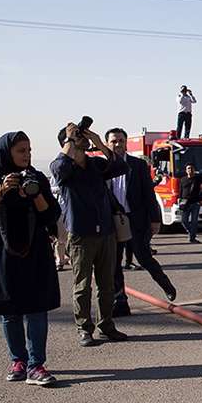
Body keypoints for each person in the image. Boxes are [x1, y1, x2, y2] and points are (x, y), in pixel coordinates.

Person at [0, 132, 61, 385]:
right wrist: (1, 190)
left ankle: (36, 365)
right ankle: (17, 360)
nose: (27, 155)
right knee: (10, 309)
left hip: (35, 252)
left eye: (29, 150)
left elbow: (51, 214)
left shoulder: (36, 177)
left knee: (36, 308)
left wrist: (35, 194)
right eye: (21, 150)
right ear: (7, 152)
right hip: (2, 251)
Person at [51, 121, 129, 347]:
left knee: (107, 284)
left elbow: (120, 166)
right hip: (81, 235)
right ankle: (84, 328)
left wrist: (98, 142)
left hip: (106, 232)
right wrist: (69, 140)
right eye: (79, 137)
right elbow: (57, 170)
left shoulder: (95, 164)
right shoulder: (64, 168)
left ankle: (106, 325)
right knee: (83, 286)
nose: (83, 139)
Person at [104, 128, 178, 316]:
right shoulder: (103, 166)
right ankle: (120, 302)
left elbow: (148, 194)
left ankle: (166, 284)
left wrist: (155, 220)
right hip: (114, 221)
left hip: (136, 220)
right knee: (114, 263)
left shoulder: (137, 165)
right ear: (107, 144)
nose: (118, 144)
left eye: (121, 140)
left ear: (126, 142)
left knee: (144, 258)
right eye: (113, 141)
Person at [179, 163, 202, 243]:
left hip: (195, 203)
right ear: (186, 170)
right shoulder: (183, 179)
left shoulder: (198, 178)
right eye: (188, 168)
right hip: (185, 203)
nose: (190, 170)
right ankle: (191, 233)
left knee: (194, 221)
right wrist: (179, 201)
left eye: (191, 168)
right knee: (184, 220)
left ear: (194, 170)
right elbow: (180, 192)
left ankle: (192, 238)